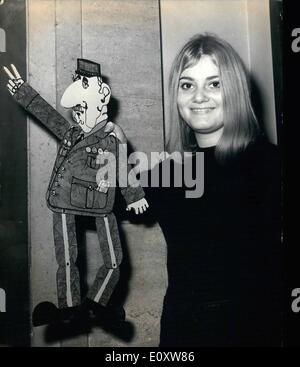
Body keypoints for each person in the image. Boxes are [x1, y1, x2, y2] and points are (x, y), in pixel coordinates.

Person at [143, 33, 283, 346]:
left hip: (254, 331)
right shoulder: (167, 174)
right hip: (183, 331)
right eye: (187, 84)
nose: (199, 96)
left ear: (234, 90)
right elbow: (98, 198)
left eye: (214, 83)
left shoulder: (272, 164)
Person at [3, 59, 149, 328]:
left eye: (82, 108)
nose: (77, 115)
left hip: (100, 203)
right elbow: (47, 114)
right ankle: (69, 306)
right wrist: (22, 91)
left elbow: (122, 164)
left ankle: (96, 304)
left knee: (114, 261)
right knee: (67, 259)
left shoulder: (112, 137)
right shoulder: (71, 133)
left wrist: (134, 195)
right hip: (64, 201)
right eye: (76, 110)